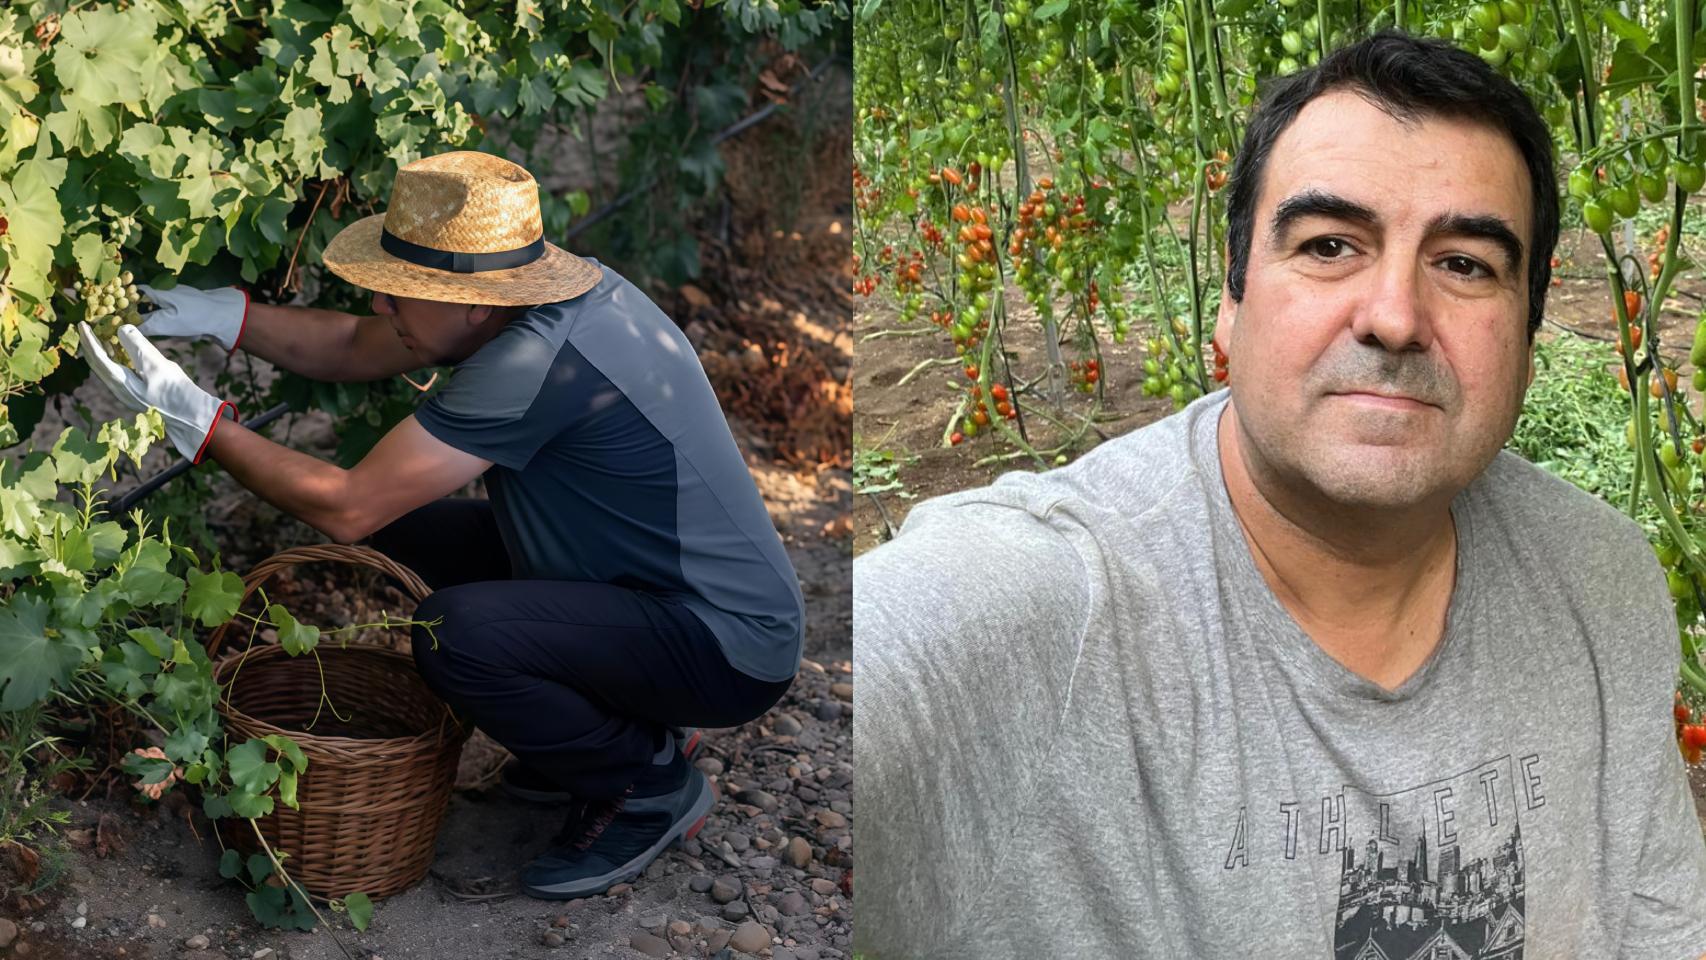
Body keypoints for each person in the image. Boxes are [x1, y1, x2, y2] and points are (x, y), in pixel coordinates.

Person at [853, 32, 1706, 958]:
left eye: (1465, 263)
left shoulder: (1602, 581)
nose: (1394, 316)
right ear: (1231, 302)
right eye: (1330, 244)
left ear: (1529, 339)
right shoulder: (1042, 613)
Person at [79, 150, 804, 901]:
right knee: (414, 529)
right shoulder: (537, 300)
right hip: (648, 590)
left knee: (456, 631)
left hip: (726, 646)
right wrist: (220, 315)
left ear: (473, 305)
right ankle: (621, 725)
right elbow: (357, 345)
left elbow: (346, 506)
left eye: (401, 293)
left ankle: (644, 783)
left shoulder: (533, 361)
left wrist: (201, 426)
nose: (383, 306)